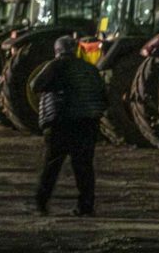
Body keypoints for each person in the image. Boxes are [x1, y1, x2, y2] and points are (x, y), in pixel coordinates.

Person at [30, 35, 108, 216]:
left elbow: (35, 85)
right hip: (88, 123)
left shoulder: (55, 65)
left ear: (57, 51)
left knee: (52, 165)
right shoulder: (90, 69)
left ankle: (42, 204)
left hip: (60, 122)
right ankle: (86, 206)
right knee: (84, 166)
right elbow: (103, 95)